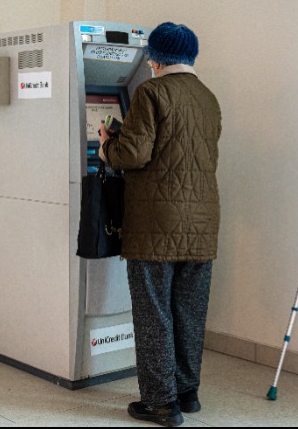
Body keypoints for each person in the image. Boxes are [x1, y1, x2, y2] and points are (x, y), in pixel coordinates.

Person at [99, 21, 222, 427]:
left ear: (153, 58)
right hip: (202, 222)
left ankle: (159, 403)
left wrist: (107, 147)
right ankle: (187, 393)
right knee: (189, 312)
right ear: (191, 55)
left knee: (154, 314)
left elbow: (133, 154)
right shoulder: (207, 97)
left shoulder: (151, 92)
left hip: (156, 224)